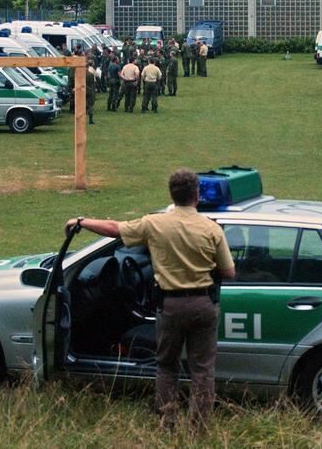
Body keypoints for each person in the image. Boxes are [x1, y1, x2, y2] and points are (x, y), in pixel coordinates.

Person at [63, 169, 235, 431]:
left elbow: (114, 229)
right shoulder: (211, 228)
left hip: (171, 306)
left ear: (172, 194)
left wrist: (82, 221)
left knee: (166, 367)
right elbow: (229, 272)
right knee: (202, 370)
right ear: (197, 196)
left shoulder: (155, 224)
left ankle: (167, 423)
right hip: (203, 305)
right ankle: (199, 428)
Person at [86, 59, 97, 124]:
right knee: (90, 105)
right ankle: (90, 119)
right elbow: (93, 83)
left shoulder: (80, 74)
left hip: (82, 91)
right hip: (89, 90)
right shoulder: (91, 74)